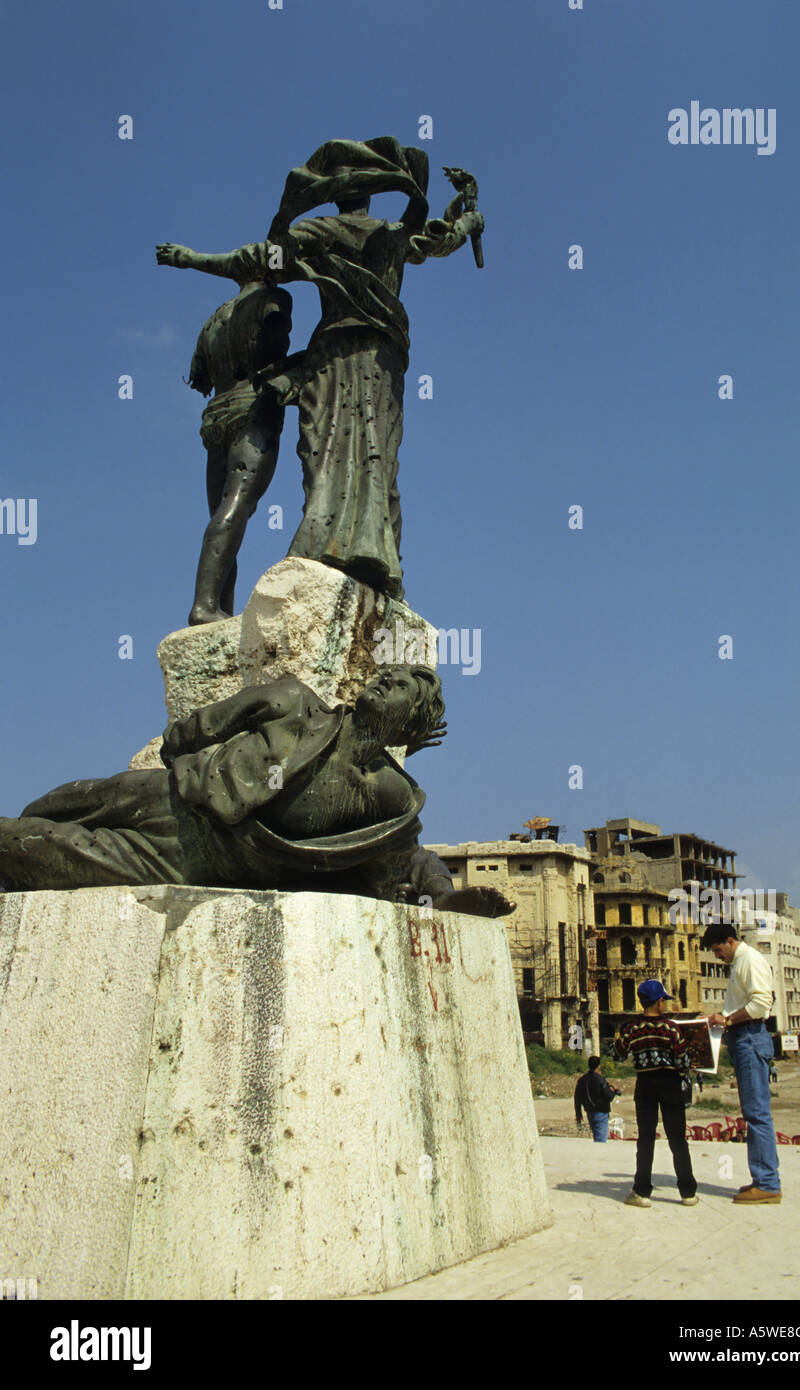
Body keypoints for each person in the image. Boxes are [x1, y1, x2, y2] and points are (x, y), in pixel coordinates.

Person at [157, 137, 484, 599]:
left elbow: (256, 260)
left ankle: (343, 549)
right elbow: (441, 239)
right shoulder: (393, 235)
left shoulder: (320, 233)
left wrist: (194, 260)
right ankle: (367, 557)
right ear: (372, 193)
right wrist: (469, 216)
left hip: (332, 354)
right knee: (375, 454)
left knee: (327, 451)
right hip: (377, 356)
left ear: (335, 194)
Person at [0, 666, 512, 917]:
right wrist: (195, 777)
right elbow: (193, 731)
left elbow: (403, 864)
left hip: (200, 859)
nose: (383, 680)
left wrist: (443, 899)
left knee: (44, 848)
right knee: (64, 801)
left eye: (400, 685)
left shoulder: (392, 798)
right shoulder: (292, 702)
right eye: (386, 673)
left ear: (412, 721)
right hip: (174, 799)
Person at [184, 278, 295, 625]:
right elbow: (273, 349)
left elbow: (199, 378)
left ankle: (218, 608)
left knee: (220, 512)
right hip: (252, 409)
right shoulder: (274, 299)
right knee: (237, 507)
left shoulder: (214, 319)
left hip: (215, 415)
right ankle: (203, 606)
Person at [704, 924, 781, 1203]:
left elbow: (761, 1004)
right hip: (744, 1039)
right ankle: (762, 1178)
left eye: (717, 950)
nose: (716, 956)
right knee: (753, 1113)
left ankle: (768, 1184)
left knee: (757, 1113)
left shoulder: (749, 959)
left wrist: (727, 1020)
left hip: (750, 1038)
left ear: (729, 941)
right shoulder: (739, 962)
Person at [614, 980, 698, 1207]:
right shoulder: (671, 1028)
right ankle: (688, 1192)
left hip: (646, 1085)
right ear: (660, 1002)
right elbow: (682, 1059)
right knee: (678, 1139)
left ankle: (642, 1192)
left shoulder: (632, 1029)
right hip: (670, 1084)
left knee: (646, 1138)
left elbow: (619, 1054)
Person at [573, 1056, 620, 1142]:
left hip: (589, 1112)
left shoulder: (582, 1080)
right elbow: (608, 1097)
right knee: (600, 1141)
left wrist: (578, 1114)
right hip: (601, 1113)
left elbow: (577, 1098)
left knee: (597, 1138)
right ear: (598, 1066)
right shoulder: (600, 1080)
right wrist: (613, 1091)